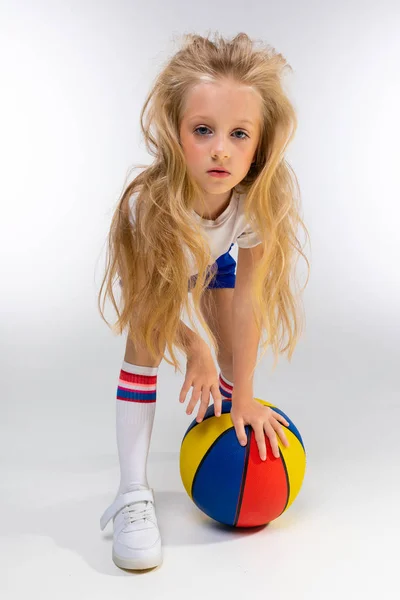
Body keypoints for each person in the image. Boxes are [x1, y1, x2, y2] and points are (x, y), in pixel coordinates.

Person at [97, 31, 310, 571]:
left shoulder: (254, 200)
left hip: (210, 262)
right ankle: (131, 494)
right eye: (203, 130)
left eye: (239, 133)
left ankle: (224, 412)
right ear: (175, 132)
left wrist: (245, 397)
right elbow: (155, 297)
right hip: (157, 273)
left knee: (233, 356)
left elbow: (248, 301)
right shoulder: (150, 204)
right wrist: (194, 347)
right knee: (146, 339)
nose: (221, 148)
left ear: (260, 144)